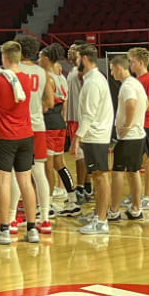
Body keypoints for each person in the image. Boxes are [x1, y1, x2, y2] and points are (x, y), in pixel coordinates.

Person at [0, 41, 39, 245]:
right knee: (26, 182)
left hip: (4, 136)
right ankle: (32, 229)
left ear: (5, 58)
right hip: (26, 135)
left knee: (3, 183)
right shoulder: (27, 78)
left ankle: (5, 230)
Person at [70, 43, 114, 235]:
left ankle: (101, 220)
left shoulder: (93, 81)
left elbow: (89, 114)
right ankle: (98, 213)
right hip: (95, 135)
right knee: (98, 177)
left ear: (84, 59)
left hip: (96, 135)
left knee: (100, 176)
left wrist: (76, 137)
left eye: (77, 58)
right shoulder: (93, 79)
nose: (75, 61)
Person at [14, 34, 53, 235]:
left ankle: (11, 220)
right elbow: (50, 102)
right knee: (39, 173)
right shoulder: (41, 71)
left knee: (13, 175)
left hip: (18, 126)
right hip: (38, 126)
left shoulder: (14, 70)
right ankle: (45, 219)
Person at [39, 44, 80, 217]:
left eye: (40, 57)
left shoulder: (47, 78)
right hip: (59, 124)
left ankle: (47, 205)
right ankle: (72, 200)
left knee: (47, 167)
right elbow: (63, 104)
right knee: (59, 164)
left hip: (48, 123)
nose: (38, 60)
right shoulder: (61, 77)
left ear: (46, 59)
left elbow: (46, 105)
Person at [106, 55, 148, 223]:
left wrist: (128, 125)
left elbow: (131, 104)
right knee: (134, 172)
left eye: (111, 69)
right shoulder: (137, 83)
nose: (111, 72)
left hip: (129, 136)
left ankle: (114, 211)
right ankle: (136, 209)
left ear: (119, 68)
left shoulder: (128, 85)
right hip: (139, 135)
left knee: (117, 173)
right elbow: (145, 103)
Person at [127, 47, 149, 210]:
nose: (129, 64)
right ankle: (136, 193)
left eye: (131, 61)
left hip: (147, 124)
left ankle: (147, 197)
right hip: (139, 124)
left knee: (148, 160)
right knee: (136, 160)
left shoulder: (148, 80)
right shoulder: (138, 80)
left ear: (140, 63)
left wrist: (134, 107)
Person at [63, 40, 91, 205]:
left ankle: (80, 187)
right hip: (72, 117)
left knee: (80, 154)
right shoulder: (72, 71)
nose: (70, 51)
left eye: (73, 49)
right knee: (83, 155)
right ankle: (87, 186)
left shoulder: (83, 73)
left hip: (80, 118)